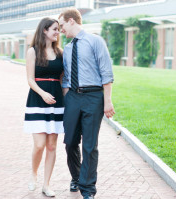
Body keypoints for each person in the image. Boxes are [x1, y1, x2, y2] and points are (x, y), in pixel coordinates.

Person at [59, 8, 115, 199]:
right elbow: (66, 78)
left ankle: (88, 189)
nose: (60, 30)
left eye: (62, 25)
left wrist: (107, 101)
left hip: (93, 97)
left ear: (72, 21)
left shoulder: (95, 41)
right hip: (73, 97)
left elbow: (106, 73)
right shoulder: (67, 49)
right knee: (70, 142)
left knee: (90, 146)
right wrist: (67, 99)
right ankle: (76, 177)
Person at [24, 17, 64, 197]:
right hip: (38, 100)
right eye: (55, 29)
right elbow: (30, 80)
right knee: (39, 145)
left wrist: (65, 99)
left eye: (58, 29)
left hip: (56, 103)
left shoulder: (60, 52)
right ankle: (33, 173)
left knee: (52, 146)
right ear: (44, 30)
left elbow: (62, 80)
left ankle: (46, 185)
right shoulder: (32, 51)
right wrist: (43, 94)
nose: (58, 32)